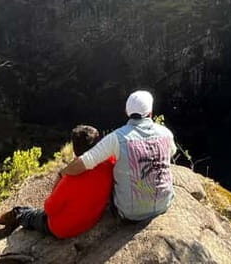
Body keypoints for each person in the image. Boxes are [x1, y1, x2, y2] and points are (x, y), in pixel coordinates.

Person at [58, 90, 176, 222]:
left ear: (127, 112)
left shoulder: (117, 138)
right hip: (163, 204)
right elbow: (171, 152)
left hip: (130, 213)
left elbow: (84, 162)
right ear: (150, 112)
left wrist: (62, 173)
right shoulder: (166, 133)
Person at [0, 124, 115, 238]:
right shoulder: (110, 162)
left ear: (75, 149)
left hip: (63, 229)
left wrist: (59, 177)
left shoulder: (71, 178)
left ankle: (15, 215)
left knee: (29, 214)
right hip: (93, 218)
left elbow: (49, 209)